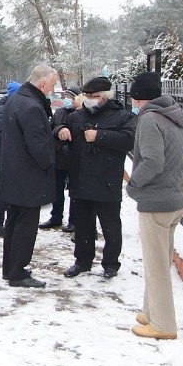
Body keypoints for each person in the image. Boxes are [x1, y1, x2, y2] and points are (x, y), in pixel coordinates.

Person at [126, 71, 183, 340]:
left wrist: (133, 185)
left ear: (140, 99)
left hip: (155, 201)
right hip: (173, 200)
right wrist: (182, 194)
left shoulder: (149, 119)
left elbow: (152, 162)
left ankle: (163, 325)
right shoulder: (175, 118)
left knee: (156, 267)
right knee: (160, 261)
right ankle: (150, 311)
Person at [56, 77, 136, 279]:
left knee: (110, 226)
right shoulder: (77, 116)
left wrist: (99, 136)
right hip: (81, 179)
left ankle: (110, 263)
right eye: (88, 96)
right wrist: (60, 131)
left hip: (107, 180)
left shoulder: (121, 117)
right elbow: (58, 127)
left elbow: (129, 140)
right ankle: (82, 261)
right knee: (82, 226)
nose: (90, 100)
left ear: (105, 97)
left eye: (94, 96)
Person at [0, 65, 57, 288]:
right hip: (28, 177)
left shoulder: (16, 99)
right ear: (42, 84)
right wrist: (50, 163)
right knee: (25, 226)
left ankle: (10, 268)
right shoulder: (31, 106)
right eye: (51, 86)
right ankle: (18, 272)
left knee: (13, 222)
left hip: (14, 173)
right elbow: (38, 145)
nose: (52, 90)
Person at [40, 86, 83, 231]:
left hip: (75, 160)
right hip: (58, 158)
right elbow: (51, 130)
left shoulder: (82, 114)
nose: (66, 100)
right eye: (66, 96)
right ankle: (56, 217)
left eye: (70, 97)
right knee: (57, 191)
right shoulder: (59, 113)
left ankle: (74, 220)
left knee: (75, 193)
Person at [0, 81, 20, 237]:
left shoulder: (12, 108)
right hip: (4, 158)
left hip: (13, 158)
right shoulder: (2, 111)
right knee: (3, 192)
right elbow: (1, 135)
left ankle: (10, 222)